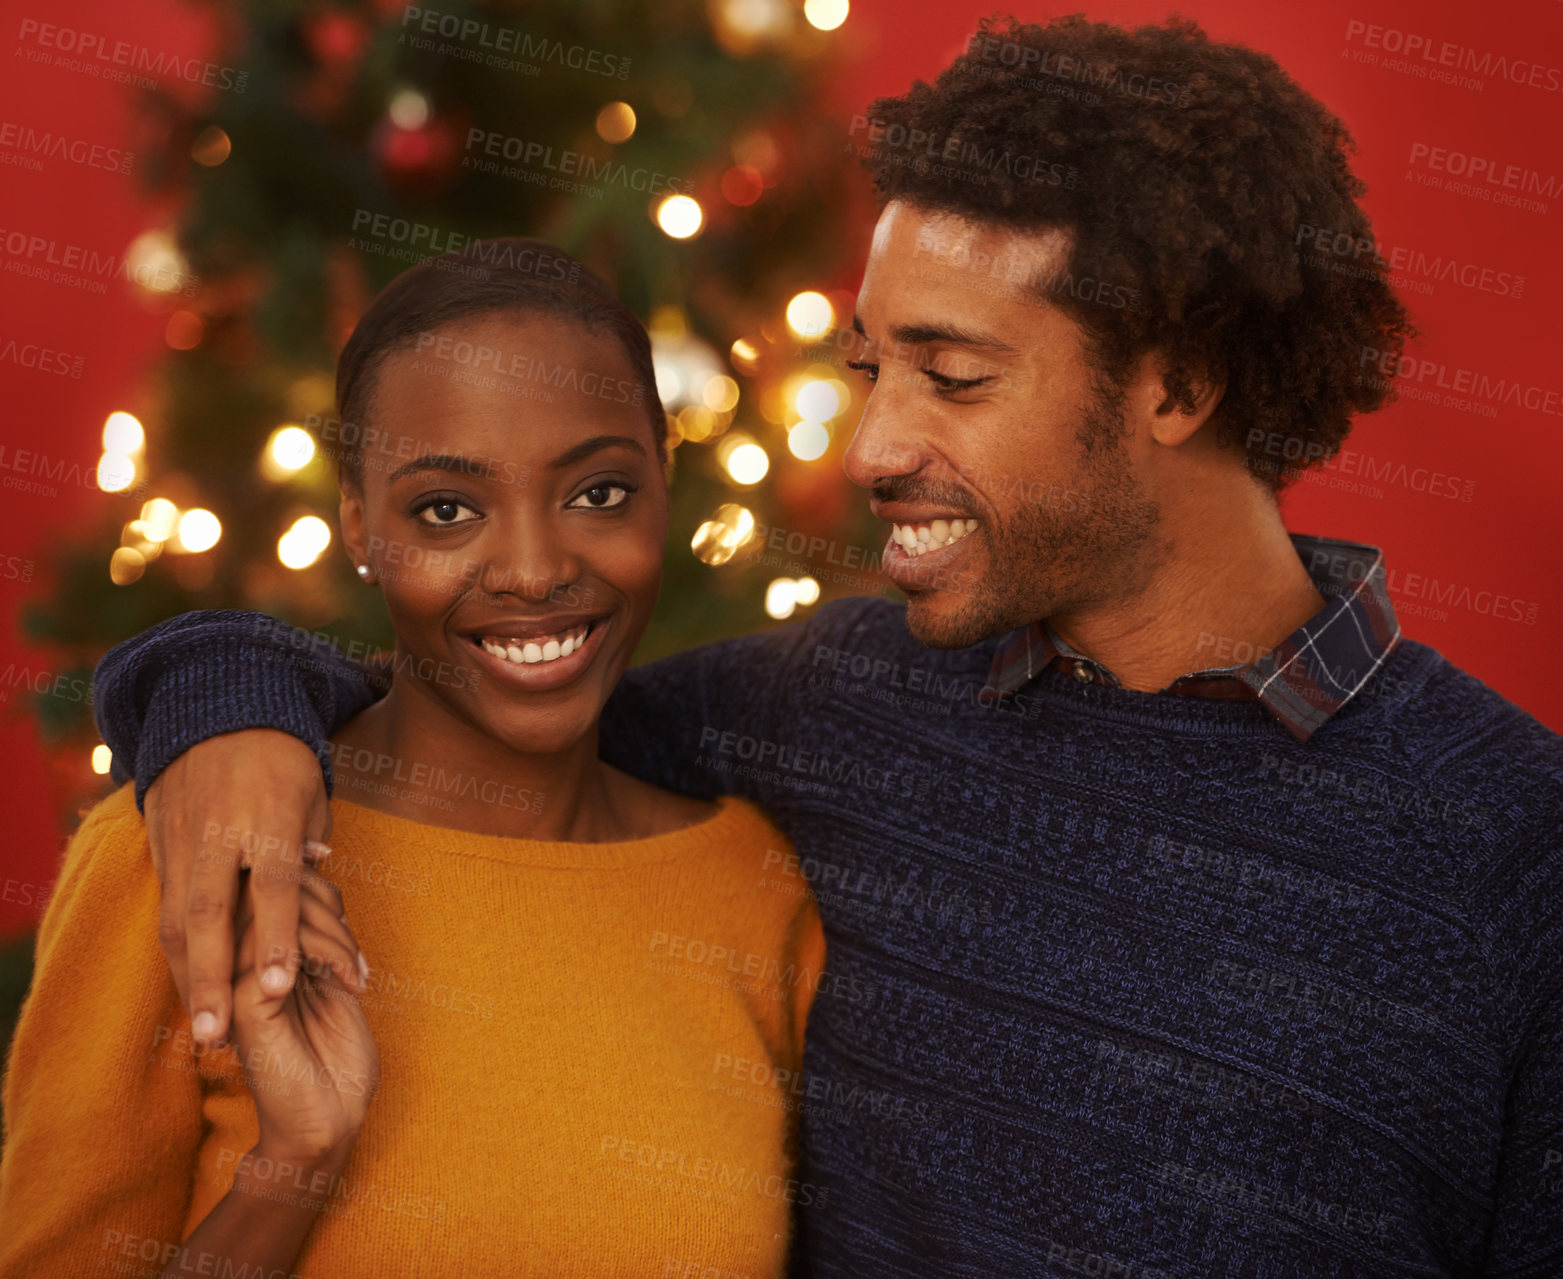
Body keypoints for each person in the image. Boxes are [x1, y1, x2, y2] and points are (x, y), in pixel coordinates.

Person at [80, 13, 1563, 1278]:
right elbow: (474, 688)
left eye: (950, 375)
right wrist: (219, 701)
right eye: (868, 366)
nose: (866, 448)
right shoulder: (833, 707)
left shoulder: (1512, 846)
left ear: (1176, 384)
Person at [0, 239, 824, 1278]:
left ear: (665, 476)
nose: (534, 569)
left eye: (599, 492)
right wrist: (293, 1166)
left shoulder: (751, 886)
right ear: (357, 520)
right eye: (446, 509)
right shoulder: (193, 849)